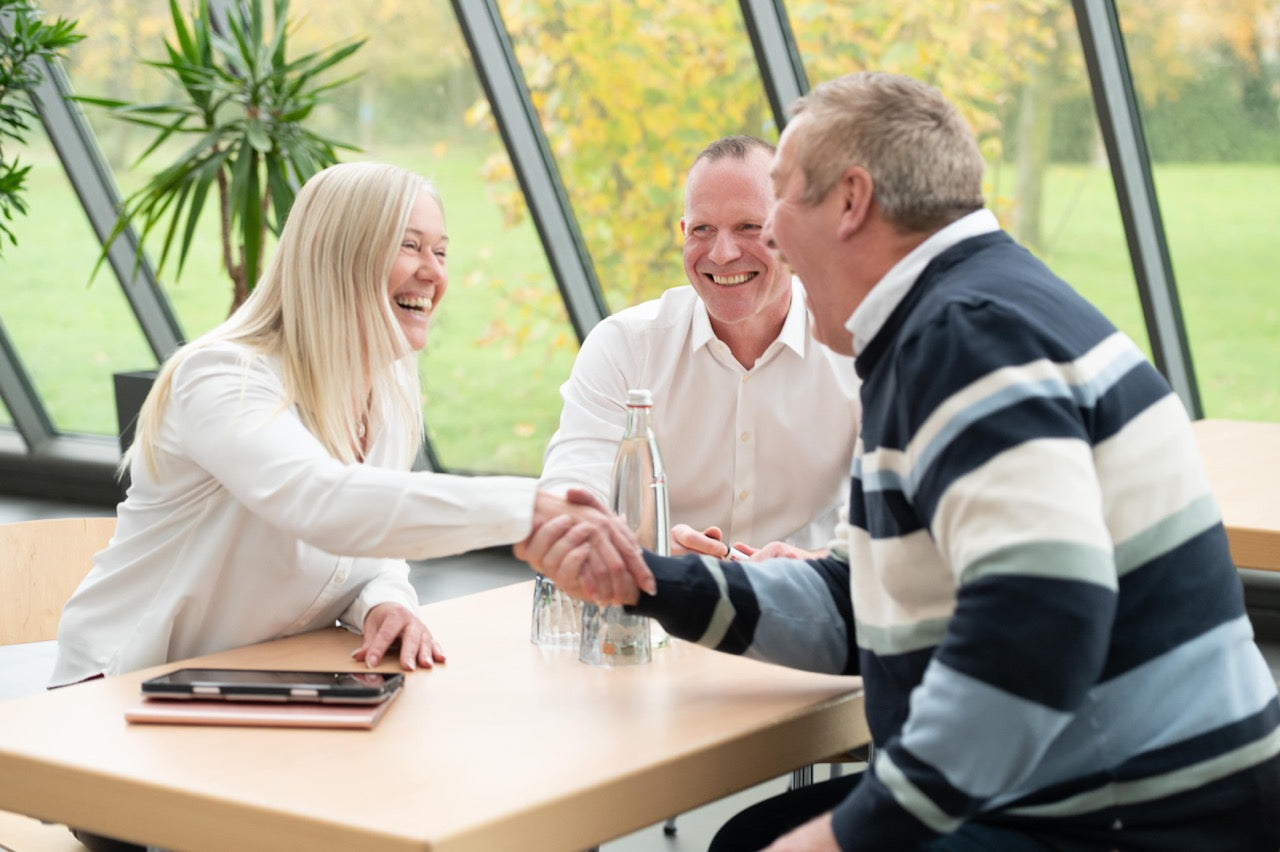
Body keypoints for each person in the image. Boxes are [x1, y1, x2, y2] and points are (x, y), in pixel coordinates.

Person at [521, 72, 1280, 851]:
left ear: (850, 202)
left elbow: (1038, 629)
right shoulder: (966, 314)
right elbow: (864, 600)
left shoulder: (966, 340)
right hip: (1122, 787)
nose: (769, 240)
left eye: (777, 199)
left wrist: (849, 837)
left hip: (1130, 814)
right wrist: (651, 581)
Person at [52, 161, 645, 692]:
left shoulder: (384, 390)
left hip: (250, 689)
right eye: (409, 245)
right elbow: (324, 505)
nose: (431, 273)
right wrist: (532, 509)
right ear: (338, 255)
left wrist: (382, 602)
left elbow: (373, 544)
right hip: (120, 695)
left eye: (441, 252)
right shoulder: (223, 378)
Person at [539, 135, 859, 559]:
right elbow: (563, 510)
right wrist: (650, 553)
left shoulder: (857, 347)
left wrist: (816, 567)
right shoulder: (624, 348)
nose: (722, 254)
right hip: (659, 606)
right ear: (683, 233)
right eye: (703, 230)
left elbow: (903, 532)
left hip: (816, 606)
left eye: (750, 227)